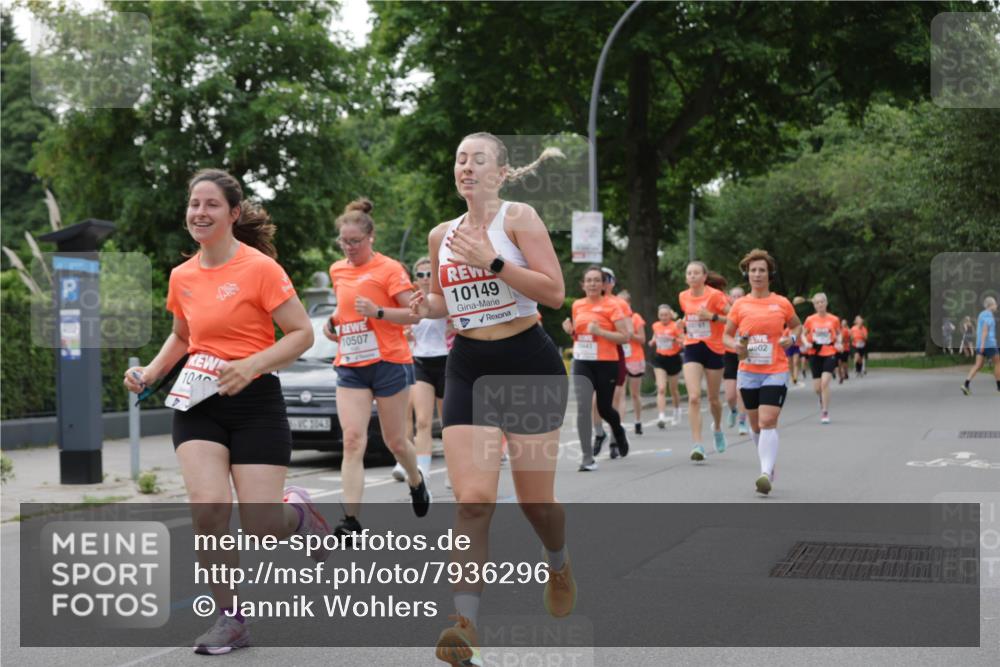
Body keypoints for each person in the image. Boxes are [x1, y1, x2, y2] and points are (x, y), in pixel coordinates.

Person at [123, 168, 325, 655]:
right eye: (194, 203)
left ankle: (296, 514)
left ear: (233, 214)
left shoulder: (261, 269)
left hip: (256, 404)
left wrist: (251, 364)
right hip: (198, 404)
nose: (200, 212)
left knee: (260, 526)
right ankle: (231, 618)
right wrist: (149, 373)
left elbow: (302, 333)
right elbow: (183, 336)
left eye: (211, 204)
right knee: (208, 509)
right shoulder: (183, 275)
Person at [409, 133, 573, 667]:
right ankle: (466, 626)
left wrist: (494, 262)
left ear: (501, 173)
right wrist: (422, 306)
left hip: (528, 362)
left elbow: (554, 293)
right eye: (459, 158)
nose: (467, 167)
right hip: (470, 367)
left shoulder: (518, 218)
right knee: (473, 500)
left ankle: (558, 561)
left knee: (535, 504)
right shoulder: (441, 234)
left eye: (479, 159)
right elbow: (443, 302)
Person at [323, 198, 431, 539]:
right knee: (353, 440)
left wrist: (378, 312)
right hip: (352, 365)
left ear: (371, 238)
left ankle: (416, 480)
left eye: (355, 241)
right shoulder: (337, 269)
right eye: (344, 242)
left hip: (389, 362)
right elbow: (344, 311)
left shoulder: (390, 269)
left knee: (396, 441)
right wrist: (333, 323)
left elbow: (415, 314)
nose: (349, 248)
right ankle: (351, 521)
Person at [723, 248, 801, 495]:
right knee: (756, 426)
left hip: (775, 369)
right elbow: (726, 335)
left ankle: (765, 473)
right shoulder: (740, 305)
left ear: (770, 274)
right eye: (753, 270)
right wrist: (734, 345)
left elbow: (797, 327)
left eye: (762, 270)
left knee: (769, 420)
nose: (757, 274)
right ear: (748, 274)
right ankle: (767, 463)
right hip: (748, 371)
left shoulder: (781, 303)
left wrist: (792, 339)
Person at [563, 266, 631, 467]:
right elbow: (579, 333)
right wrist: (570, 331)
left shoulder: (612, 306)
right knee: (583, 407)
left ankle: (618, 430)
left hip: (606, 362)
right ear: (583, 285)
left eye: (596, 280)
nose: (592, 284)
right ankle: (587, 457)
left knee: (604, 408)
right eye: (588, 280)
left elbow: (624, 337)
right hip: (582, 360)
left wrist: (600, 332)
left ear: (603, 284)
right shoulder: (577, 305)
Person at [393, 257, 448, 484]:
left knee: (449, 423)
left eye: (429, 274)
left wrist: (454, 323)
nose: (425, 279)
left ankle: (451, 471)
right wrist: (405, 334)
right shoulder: (411, 301)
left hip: (446, 360)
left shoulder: (444, 299)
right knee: (423, 421)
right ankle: (423, 472)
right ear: (415, 279)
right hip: (421, 362)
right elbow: (400, 329)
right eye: (421, 275)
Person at [678, 261, 730, 461]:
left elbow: (734, 318)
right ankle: (698, 444)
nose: (692, 276)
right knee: (693, 397)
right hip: (692, 346)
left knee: (714, 399)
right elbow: (688, 314)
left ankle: (717, 428)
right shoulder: (683, 296)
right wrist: (684, 321)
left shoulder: (715, 296)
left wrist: (712, 316)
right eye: (689, 273)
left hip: (714, 349)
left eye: (696, 273)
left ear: (704, 276)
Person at [591, 267, 632, 454]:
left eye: (607, 279)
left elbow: (628, 333)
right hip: (591, 355)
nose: (604, 282)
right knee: (594, 400)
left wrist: (606, 332)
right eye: (602, 278)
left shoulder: (619, 303)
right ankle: (599, 433)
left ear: (612, 282)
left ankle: (616, 436)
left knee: (617, 395)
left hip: (614, 353)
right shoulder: (585, 303)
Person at [801, 293, 842, 424]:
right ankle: (821, 398)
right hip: (814, 353)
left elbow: (839, 334)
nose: (820, 304)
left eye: (822, 302)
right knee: (817, 388)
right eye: (817, 303)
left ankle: (825, 412)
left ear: (826, 303)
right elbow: (802, 333)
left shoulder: (834, 319)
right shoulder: (810, 319)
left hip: (830, 352)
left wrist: (839, 342)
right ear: (814, 305)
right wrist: (805, 343)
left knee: (825, 383)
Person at [649, 305, 684, 428]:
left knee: (673, 390)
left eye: (666, 315)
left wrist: (674, 340)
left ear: (670, 315)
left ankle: (677, 410)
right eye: (661, 315)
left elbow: (683, 341)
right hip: (660, 359)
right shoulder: (655, 325)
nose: (663, 317)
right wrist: (652, 341)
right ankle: (661, 416)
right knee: (661, 388)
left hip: (673, 359)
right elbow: (655, 336)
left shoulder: (676, 326)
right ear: (658, 316)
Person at [618, 289, 647, 435]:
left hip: (635, 358)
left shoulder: (636, 318)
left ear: (629, 304)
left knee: (635, 394)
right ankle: (620, 425)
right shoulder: (614, 318)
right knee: (621, 393)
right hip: (620, 358)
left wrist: (630, 335)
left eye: (624, 302)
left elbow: (642, 339)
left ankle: (637, 420)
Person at [723, 285, 749, 435]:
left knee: (741, 392)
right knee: (730, 395)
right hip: (729, 354)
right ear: (730, 299)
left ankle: (742, 421)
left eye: (740, 296)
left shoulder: (750, 313)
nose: (737, 299)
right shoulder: (725, 315)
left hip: (745, 354)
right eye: (734, 296)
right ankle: (733, 410)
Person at [961, 296, 1000, 395]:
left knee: (978, 365)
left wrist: (980, 344)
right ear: (991, 305)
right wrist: (983, 344)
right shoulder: (989, 315)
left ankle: (966, 384)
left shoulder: (981, 314)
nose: (996, 305)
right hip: (989, 344)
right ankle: (999, 388)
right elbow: (985, 330)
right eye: (995, 304)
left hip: (980, 343)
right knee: (998, 363)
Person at [837, 318, 851, 383]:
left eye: (844, 323)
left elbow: (841, 339)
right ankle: (844, 374)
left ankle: (844, 373)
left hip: (844, 348)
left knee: (843, 362)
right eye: (842, 323)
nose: (842, 324)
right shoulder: (841, 330)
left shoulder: (845, 330)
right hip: (840, 348)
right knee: (841, 362)